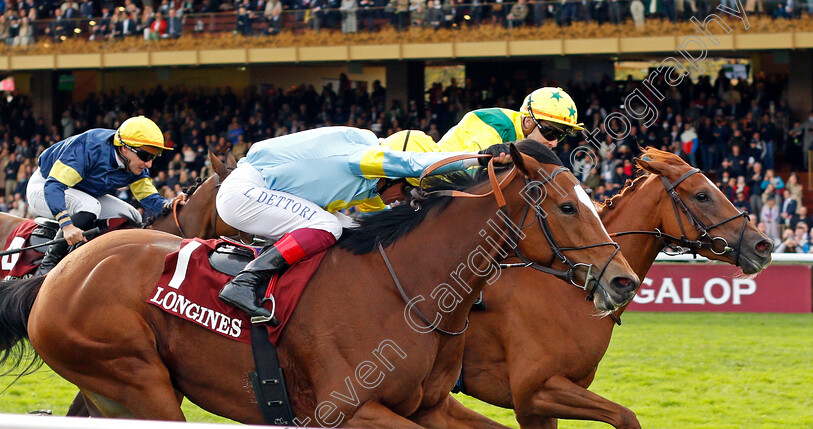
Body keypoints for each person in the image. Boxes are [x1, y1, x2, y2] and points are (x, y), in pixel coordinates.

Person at [215, 126, 512, 320]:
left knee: (354, 232)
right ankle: (246, 281)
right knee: (327, 227)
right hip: (245, 192)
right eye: (407, 190)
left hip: (256, 190)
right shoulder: (364, 160)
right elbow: (416, 165)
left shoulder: (367, 187)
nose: (404, 200)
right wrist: (480, 157)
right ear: (390, 173)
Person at [26, 116, 173, 276]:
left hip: (82, 193)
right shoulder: (90, 146)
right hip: (46, 186)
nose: (149, 164)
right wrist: (67, 225)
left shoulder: (134, 164)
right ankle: (47, 265)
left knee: (133, 215)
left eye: (153, 157)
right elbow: (54, 186)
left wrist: (171, 204)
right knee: (90, 206)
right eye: (145, 156)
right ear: (124, 148)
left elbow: (151, 200)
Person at [437, 87, 584, 154]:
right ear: (528, 122)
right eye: (550, 133)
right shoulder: (495, 130)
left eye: (561, 136)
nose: (554, 143)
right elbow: (471, 179)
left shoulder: (528, 140)